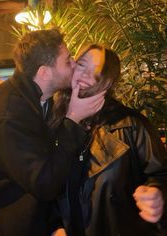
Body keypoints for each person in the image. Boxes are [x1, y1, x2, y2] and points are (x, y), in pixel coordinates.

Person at [0, 29, 106, 236]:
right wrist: (73, 119)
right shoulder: (8, 114)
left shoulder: (37, 101)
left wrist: (54, 225)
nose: (74, 64)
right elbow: (44, 182)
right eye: (67, 61)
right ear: (44, 72)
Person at [50, 44, 167, 236]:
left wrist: (158, 194)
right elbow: (44, 183)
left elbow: (160, 173)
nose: (86, 75)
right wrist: (54, 225)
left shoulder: (131, 125)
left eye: (97, 71)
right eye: (81, 65)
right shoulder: (55, 124)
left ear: (109, 81)